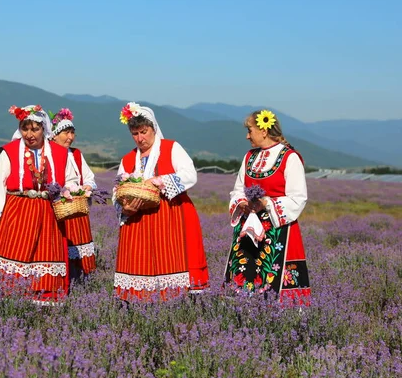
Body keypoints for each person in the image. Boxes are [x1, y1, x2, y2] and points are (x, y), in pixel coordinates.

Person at [0, 105, 79, 304]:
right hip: (17, 213)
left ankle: (43, 300)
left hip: (48, 216)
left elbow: (72, 180)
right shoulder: (10, 152)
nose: (29, 134)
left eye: (35, 129)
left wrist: (71, 191)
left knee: (45, 254)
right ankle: (7, 299)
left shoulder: (60, 153)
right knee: (13, 252)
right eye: (25, 128)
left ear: (44, 129)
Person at [113, 102, 209, 301]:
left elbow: (190, 175)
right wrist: (125, 206)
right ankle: (140, 304)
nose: (140, 138)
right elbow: (117, 191)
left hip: (170, 216)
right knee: (141, 262)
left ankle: (176, 305)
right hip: (137, 220)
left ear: (153, 128)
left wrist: (159, 181)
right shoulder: (128, 159)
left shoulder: (171, 148)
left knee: (171, 258)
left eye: (144, 132)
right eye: (135, 134)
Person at [224, 109, 310, 303]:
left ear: (263, 131)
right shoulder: (249, 158)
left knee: (274, 278)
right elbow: (238, 189)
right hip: (248, 229)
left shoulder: (290, 157)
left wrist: (267, 204)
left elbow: (298, 198)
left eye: (250, 130)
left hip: (278, 230)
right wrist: (242, 202)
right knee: (244, 273)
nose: (247, 136)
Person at [51, 108, 97, 280]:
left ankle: (80, 281)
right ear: (55, 134)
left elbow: (89, 177)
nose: (70, 137)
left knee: (79, 249)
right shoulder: (48, 154)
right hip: (59, 209)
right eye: (66, 133)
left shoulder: (76, 154)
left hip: (76, 208)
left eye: (72, 133)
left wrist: (87, 187)